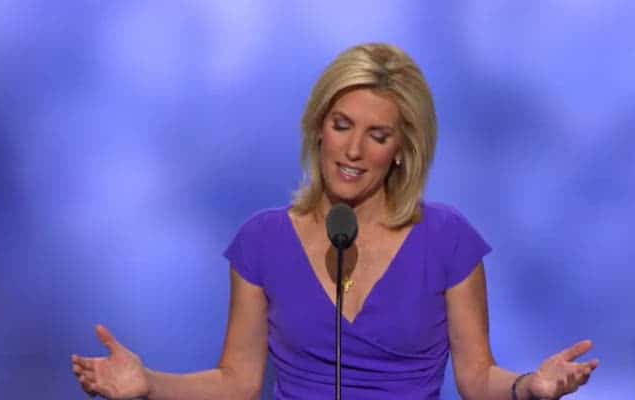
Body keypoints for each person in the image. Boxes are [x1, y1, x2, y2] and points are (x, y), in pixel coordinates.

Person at [72, 43, 598, 400]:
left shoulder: (446, 239)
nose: (352, 149)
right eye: (341, 124)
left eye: (377, 134)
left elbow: (478, 376)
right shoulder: (263, 241)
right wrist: (149, 384)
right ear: (318, 128)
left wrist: (528, 387)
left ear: (401, 150)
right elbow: (237, 381)